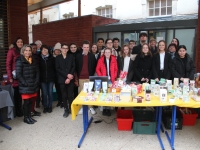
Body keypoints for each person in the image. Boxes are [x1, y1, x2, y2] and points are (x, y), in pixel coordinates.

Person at [15, 44, 39, 124]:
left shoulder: (33, 60)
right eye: (26, 50)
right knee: (26, 102)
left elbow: (37, 72)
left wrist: (36, 81)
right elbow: (18, 74)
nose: (28, 52)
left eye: (29, 50)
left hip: (33, 84)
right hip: (25, 85)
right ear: (23, 51)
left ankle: (29, 116)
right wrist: (25, 83)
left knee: (31, 101)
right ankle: (26, 118)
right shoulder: (19, 60)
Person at [75, 41, 97, 115]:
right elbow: (76, 66)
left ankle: (90, 107)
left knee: (90, 92)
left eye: (87, 47)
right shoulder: (78, 56)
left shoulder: (92, 56)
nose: (86, 49)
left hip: (89, 77)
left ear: (89, 48)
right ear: (82, 47)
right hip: (81, 77)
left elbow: (94, 66)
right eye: (84, 47)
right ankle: (82, 107)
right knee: (82, 93)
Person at [96, 47, 118, 116]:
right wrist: (102, 77)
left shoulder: (114, 59)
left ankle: (108, 109)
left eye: (109, 52)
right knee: (104, 94)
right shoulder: (101, 60)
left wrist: (114, 76)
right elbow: (97, 69)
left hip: (111, 80)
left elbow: (116, 69)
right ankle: (104, 109)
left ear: (111, 53)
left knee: (110, 95)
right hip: (104, 80)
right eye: (106, 52)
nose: (107, 53)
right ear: (104, 53)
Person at [55, 43, 75, 118]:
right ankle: (66, 109)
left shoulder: (71, 56)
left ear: (68, 49)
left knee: (70, 95)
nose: (65, 50)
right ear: (61, 49)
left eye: (66, 48)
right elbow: (57, 68)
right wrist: (67, 75)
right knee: (64, 95)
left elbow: (73, 66)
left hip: (70, 78)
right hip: (62, 79)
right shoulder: (58, 58)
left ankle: (71, 108)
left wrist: (69, 77)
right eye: (63, 48)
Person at [6, 37, 24, 117]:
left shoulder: (22, 51)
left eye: (21, 42)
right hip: (14, 77)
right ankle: (17, 111)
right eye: (18, 42)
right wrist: (10, 77)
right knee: (16, 95)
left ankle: (20, 110)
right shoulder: (11, 51)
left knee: (21, 95)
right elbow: (8, 64)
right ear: (15, 43)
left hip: (22, 76)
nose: (20, 43)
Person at [39, 45, 56, 113]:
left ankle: (50, 106)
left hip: (50, 79)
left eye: (46, 50)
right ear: (41, 51)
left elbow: (54, 69)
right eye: (43, 50)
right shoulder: (39, 58)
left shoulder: (52, 58)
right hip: (42, 79)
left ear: (48, 50)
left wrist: (54, 78)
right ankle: (45, 106)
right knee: (44, 93)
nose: (44, 51)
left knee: (50, 92)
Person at [29, 43, 41, 116]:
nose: (34, 50)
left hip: (37, 76)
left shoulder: (37, 56)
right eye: (33, 48)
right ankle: (30, 111)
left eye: (35, 48)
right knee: (30, 96)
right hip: (31, 78)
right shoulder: (29, 57)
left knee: (36, 94)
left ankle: (34, 108)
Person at [53, 43, 62, 108]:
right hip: (55, 76)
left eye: (59, 50)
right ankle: (59, 101)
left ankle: (62, 101)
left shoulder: (62, 57)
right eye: (56, 50)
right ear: (54, 51)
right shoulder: (52, 58)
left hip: (61, 76)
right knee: (58, 89)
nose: (57, 51)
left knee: (62, 90)